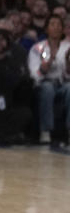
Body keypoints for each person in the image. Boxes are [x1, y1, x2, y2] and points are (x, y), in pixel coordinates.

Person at [27, 15, 70, 145]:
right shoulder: (38, 48)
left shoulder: (67, 48)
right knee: (48, 88)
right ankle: (45, 131)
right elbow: (34, 74)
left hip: (62, 83)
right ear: (46, 29)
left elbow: (67, 75)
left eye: (59, 25)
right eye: (52, 24)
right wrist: (47, 64)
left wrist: (68, 67)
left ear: (63, 29)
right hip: (43, 83)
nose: (56, 27)